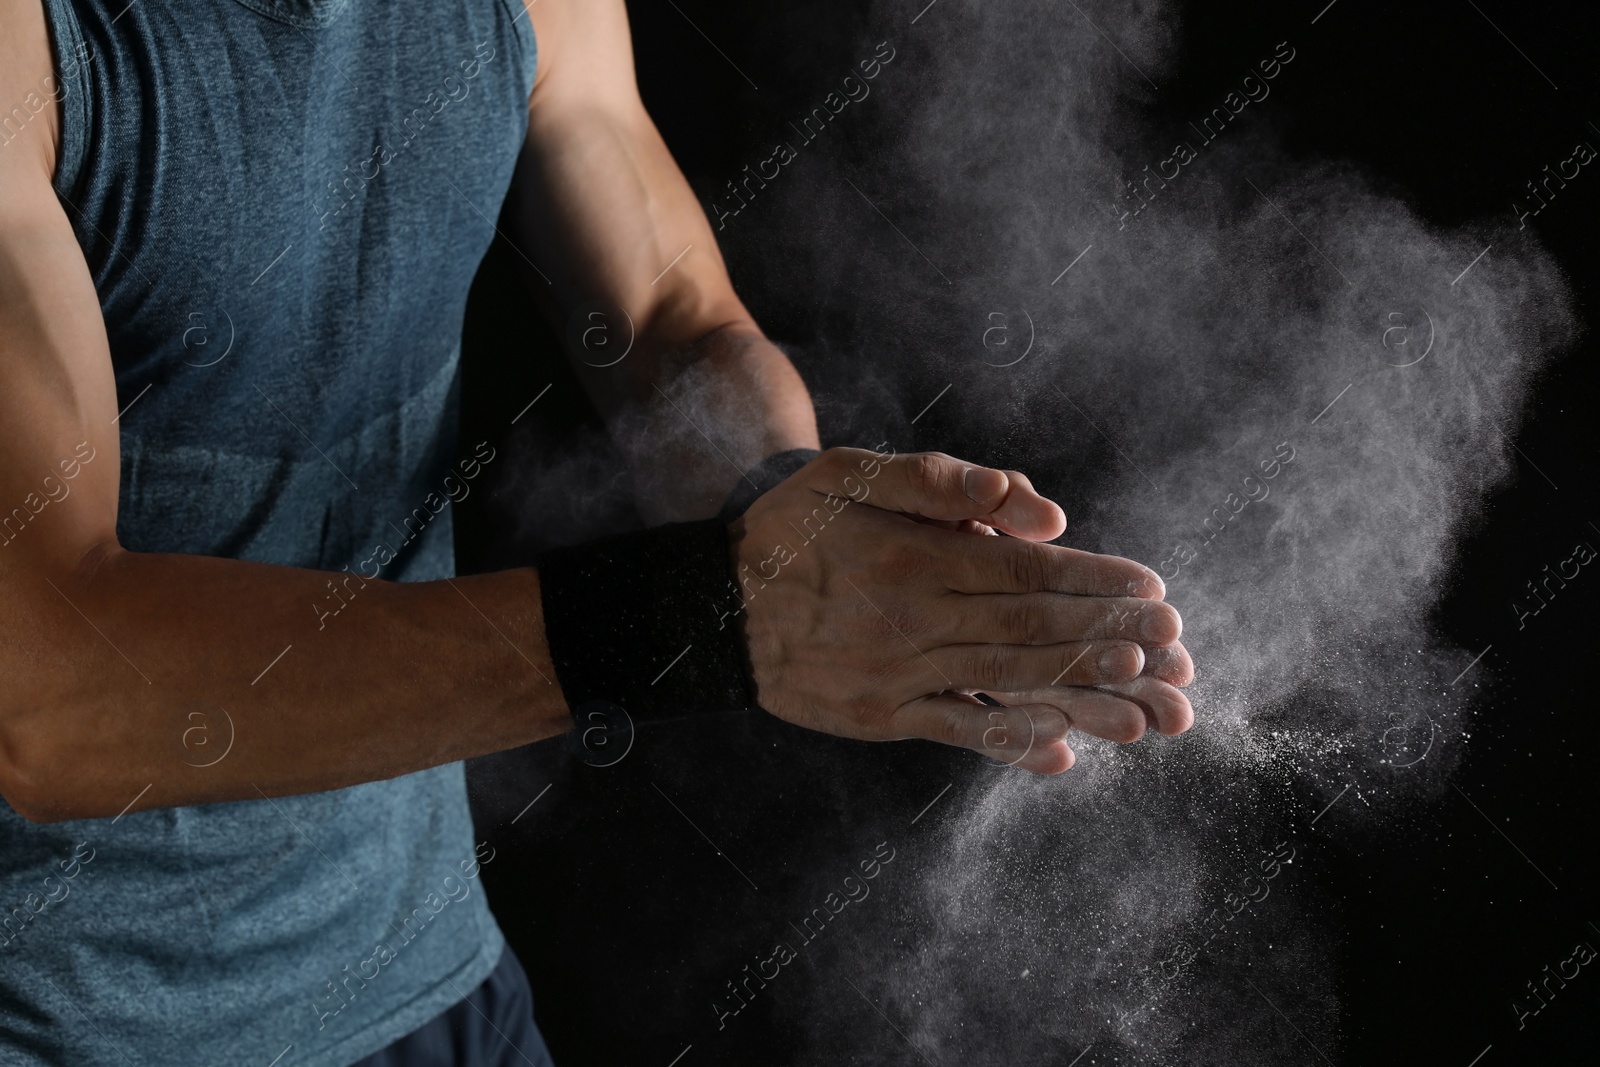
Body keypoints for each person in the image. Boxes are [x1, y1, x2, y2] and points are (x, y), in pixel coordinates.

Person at [0, 0, 1194, 1063]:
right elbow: (46, 699)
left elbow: (667, 317)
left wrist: (789, 517)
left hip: (418, 978)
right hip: (71, 1016)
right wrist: (699, 618)